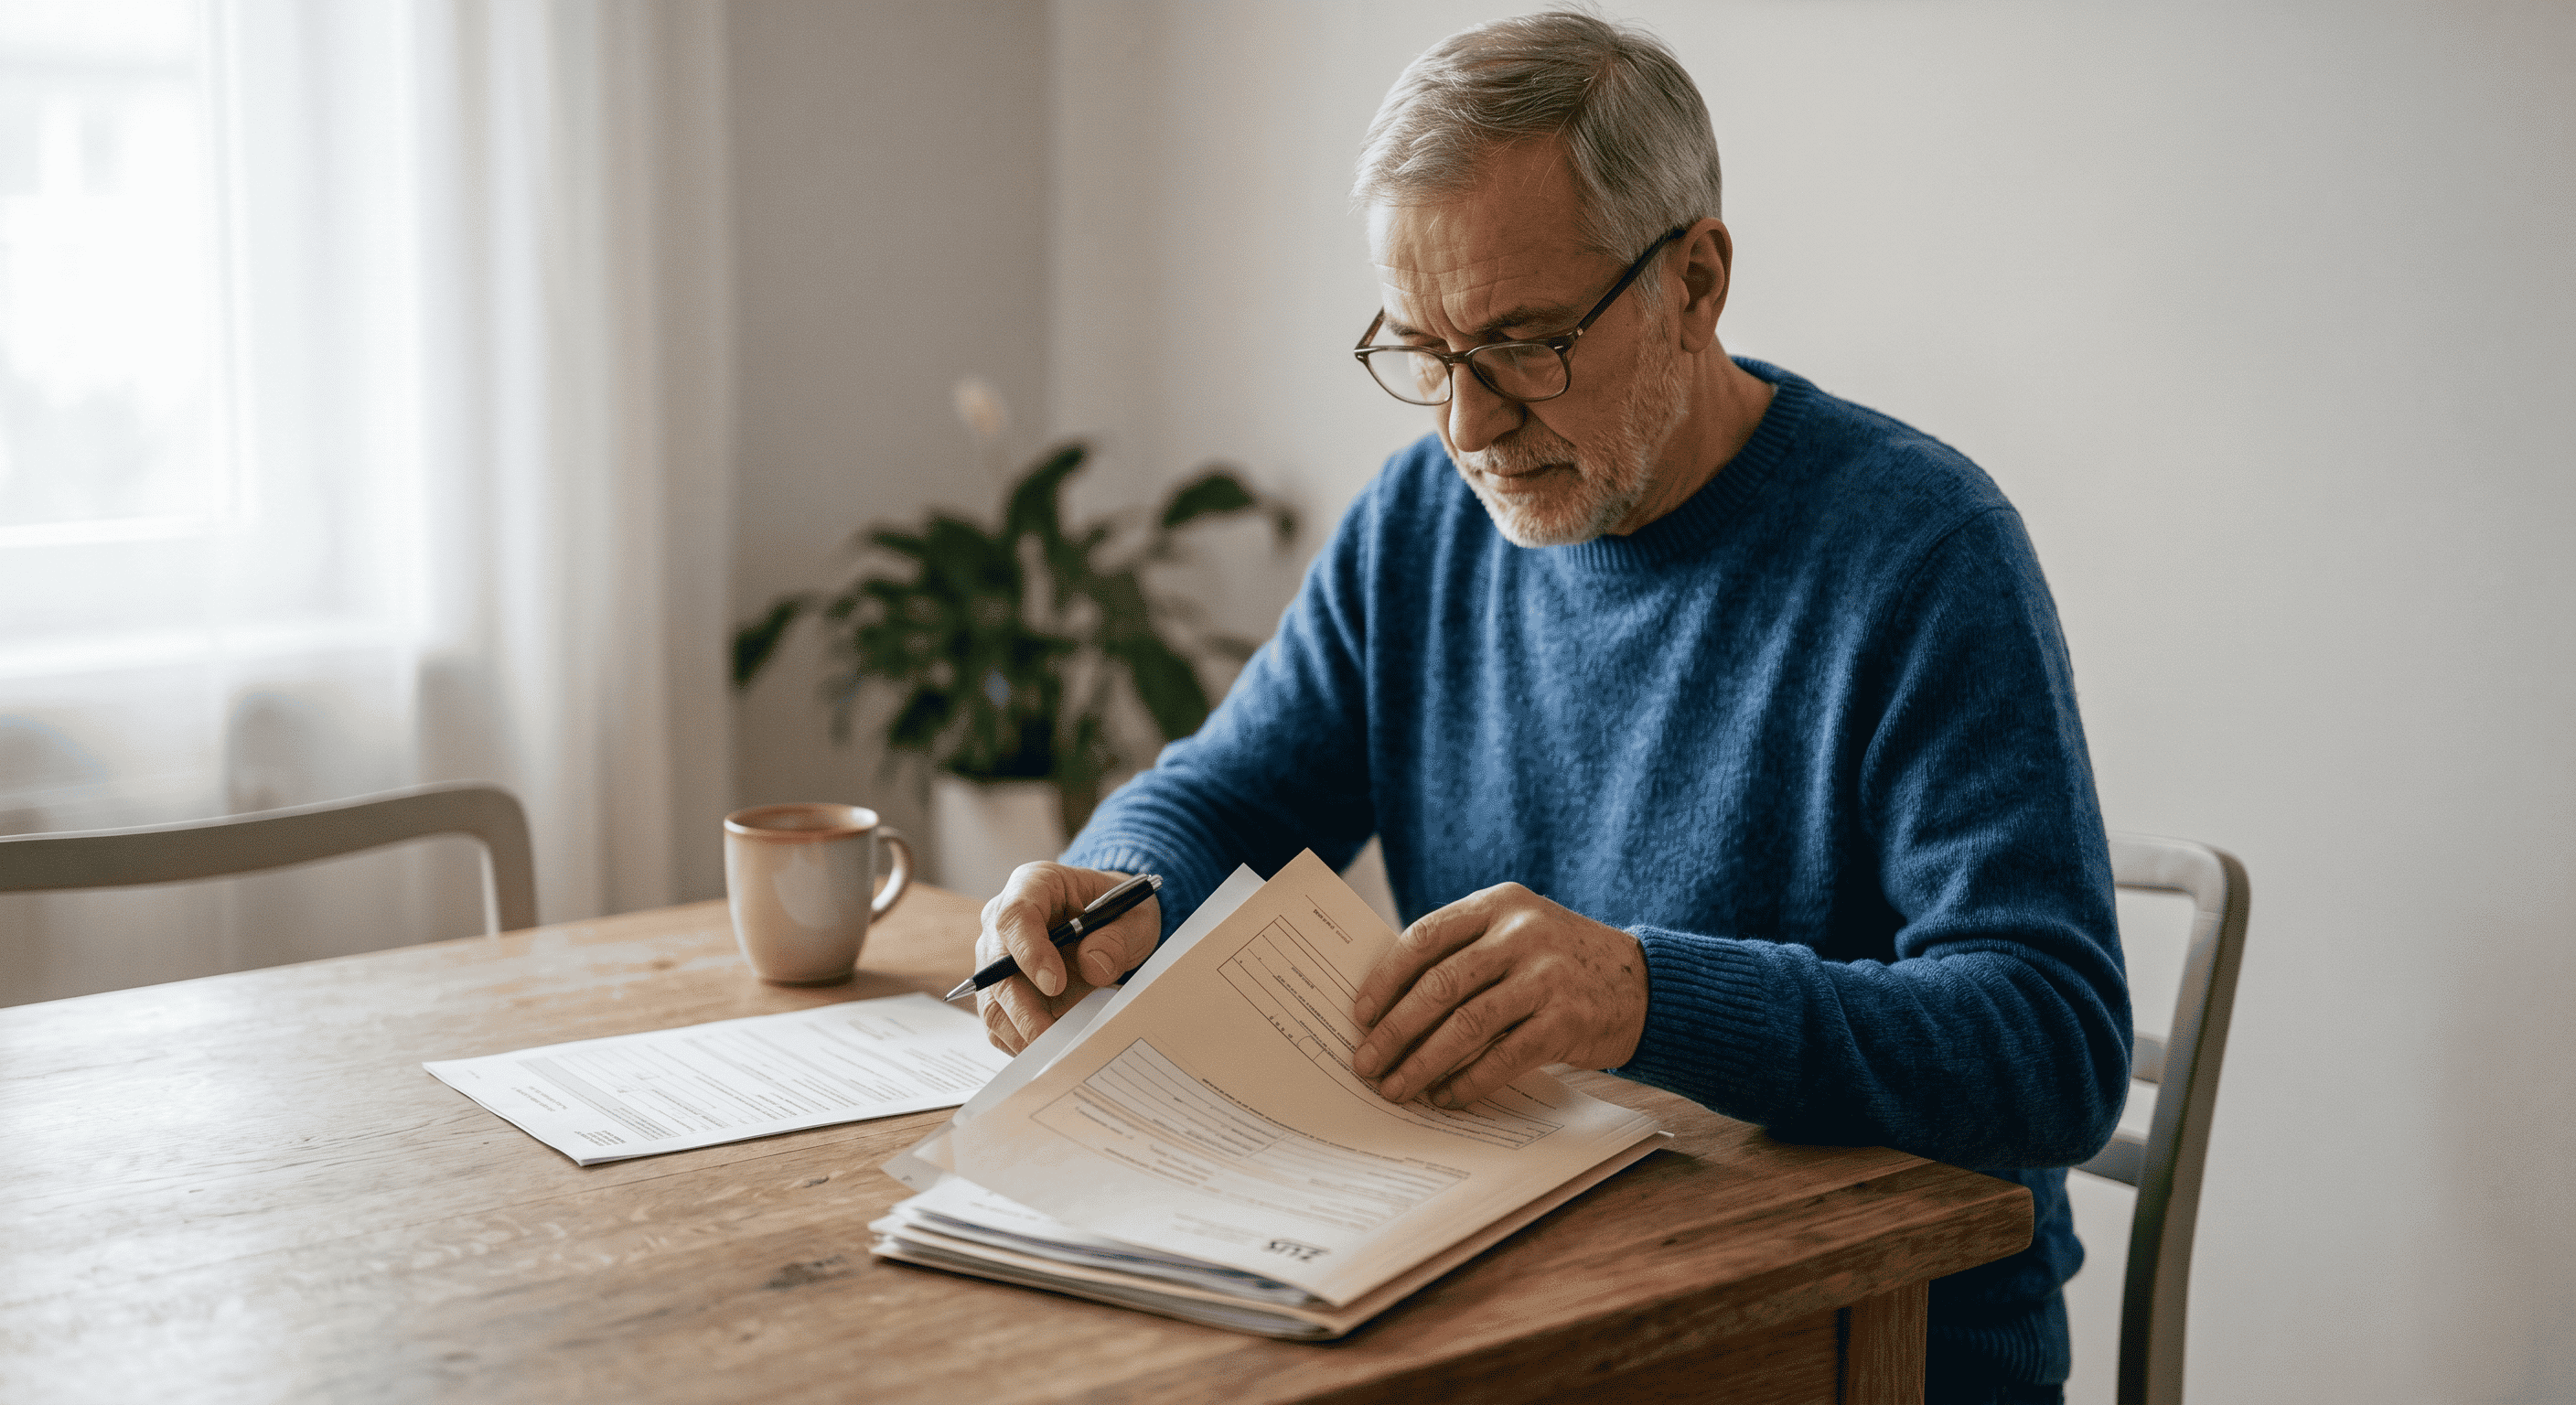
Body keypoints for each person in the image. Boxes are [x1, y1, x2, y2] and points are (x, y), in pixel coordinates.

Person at [969, 12, 2128, 1402]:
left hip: (1865, 1338)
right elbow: (1232, 789)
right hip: (1529, 1283)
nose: (1466, 424)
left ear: (1694, 282)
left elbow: (2053, 1046)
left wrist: (1642, 995)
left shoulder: (1920, 549)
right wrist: (1118, 887)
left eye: (1524, 345)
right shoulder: (1421, 523)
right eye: (1423, 350)